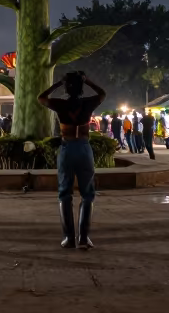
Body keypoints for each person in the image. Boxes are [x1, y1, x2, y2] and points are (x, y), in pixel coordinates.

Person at [39, 71, 106, 249]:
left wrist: (58, 84)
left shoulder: (60, 104)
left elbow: (41, 98)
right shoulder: (88, 103)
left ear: (66, 88)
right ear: (81, 87)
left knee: (64, 193)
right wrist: (88, 80)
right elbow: (102, 93)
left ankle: (69, 238)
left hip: (67, 147)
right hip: (84, 147)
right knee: (87, 194)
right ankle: (83, 238)